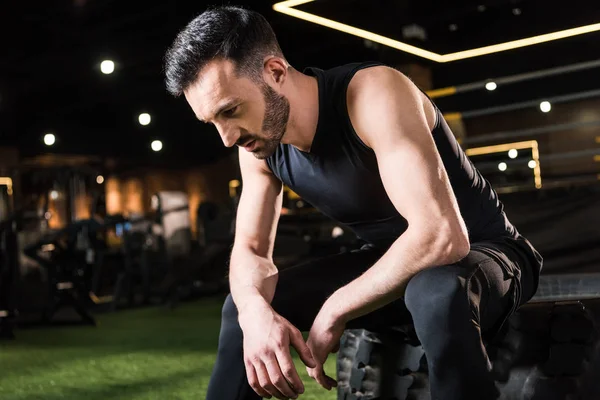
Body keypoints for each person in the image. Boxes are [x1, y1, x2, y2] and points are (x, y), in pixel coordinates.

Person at [164, 6, 543, 400]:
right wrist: (254, 312)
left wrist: (336, 307)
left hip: (487, 254)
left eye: (231, 111)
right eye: (212, 122)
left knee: (435, 290)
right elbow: (251, 249)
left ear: (275, 72)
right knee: (244, 304)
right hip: (386, 264)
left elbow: (443, 236)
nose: (226, 137)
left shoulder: (373, 93)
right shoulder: (257, 146)